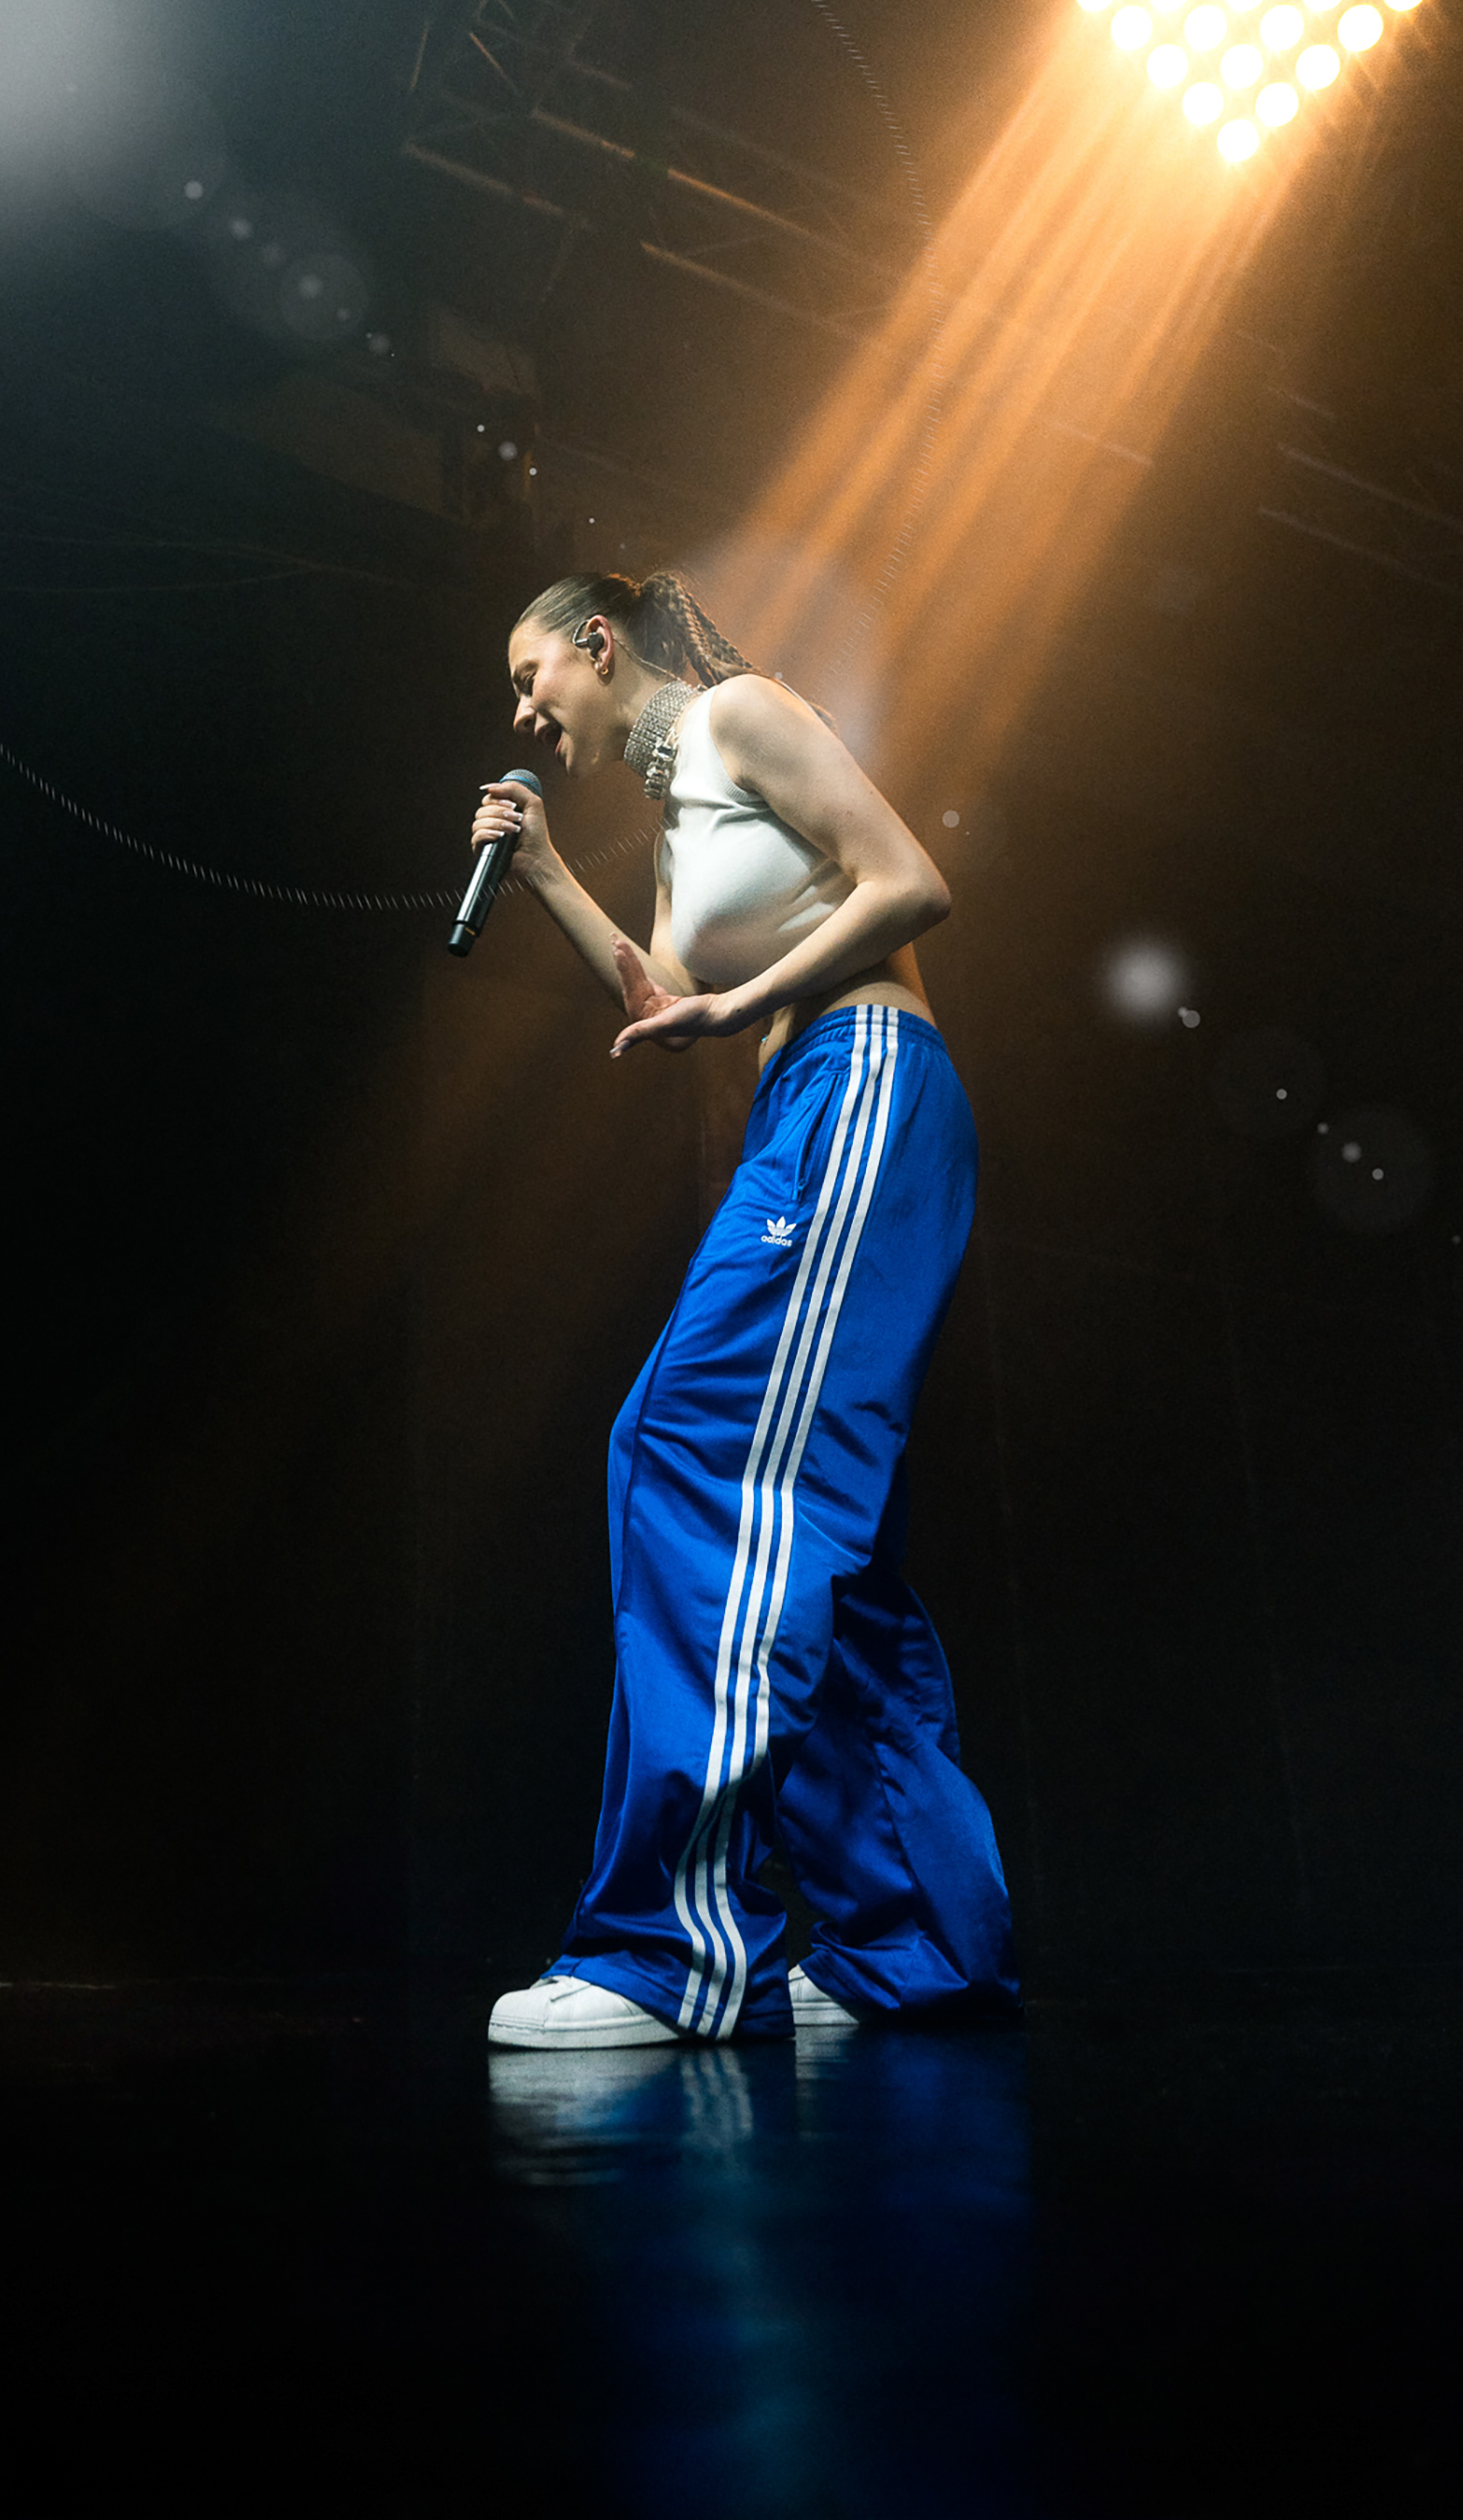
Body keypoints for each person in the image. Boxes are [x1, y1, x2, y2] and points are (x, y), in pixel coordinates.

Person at [479, 571, 1016, 2048]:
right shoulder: (674, 820)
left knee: (689, 1452)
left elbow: (912, 881)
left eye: (531, 676)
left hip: (865, 1077)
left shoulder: (744, 714)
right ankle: (910, 1946)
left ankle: (674, 1949)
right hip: (804, 1109)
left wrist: (742, 1001)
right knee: (819, 1536)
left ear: (599, 644)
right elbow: (662, 997)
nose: (523, 712)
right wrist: (546, 874)